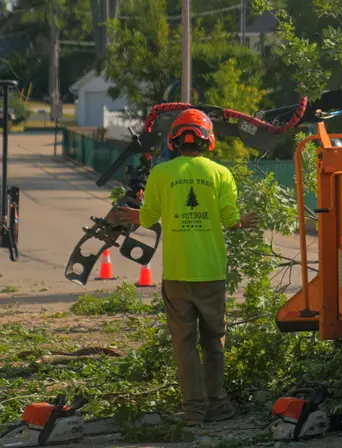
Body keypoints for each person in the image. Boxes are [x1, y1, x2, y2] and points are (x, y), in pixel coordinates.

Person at [117, 108, 259, 426]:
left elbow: (150, 217)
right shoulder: (220, 174)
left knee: (184, 345)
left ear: (174, 140)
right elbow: (229, 218)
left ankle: (193, 411)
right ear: (208, 141)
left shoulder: (161, 174)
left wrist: (133, 214)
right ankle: (218, 406)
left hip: (177, 274)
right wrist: (241, 223)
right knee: (214, 342)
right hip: (211, 272)